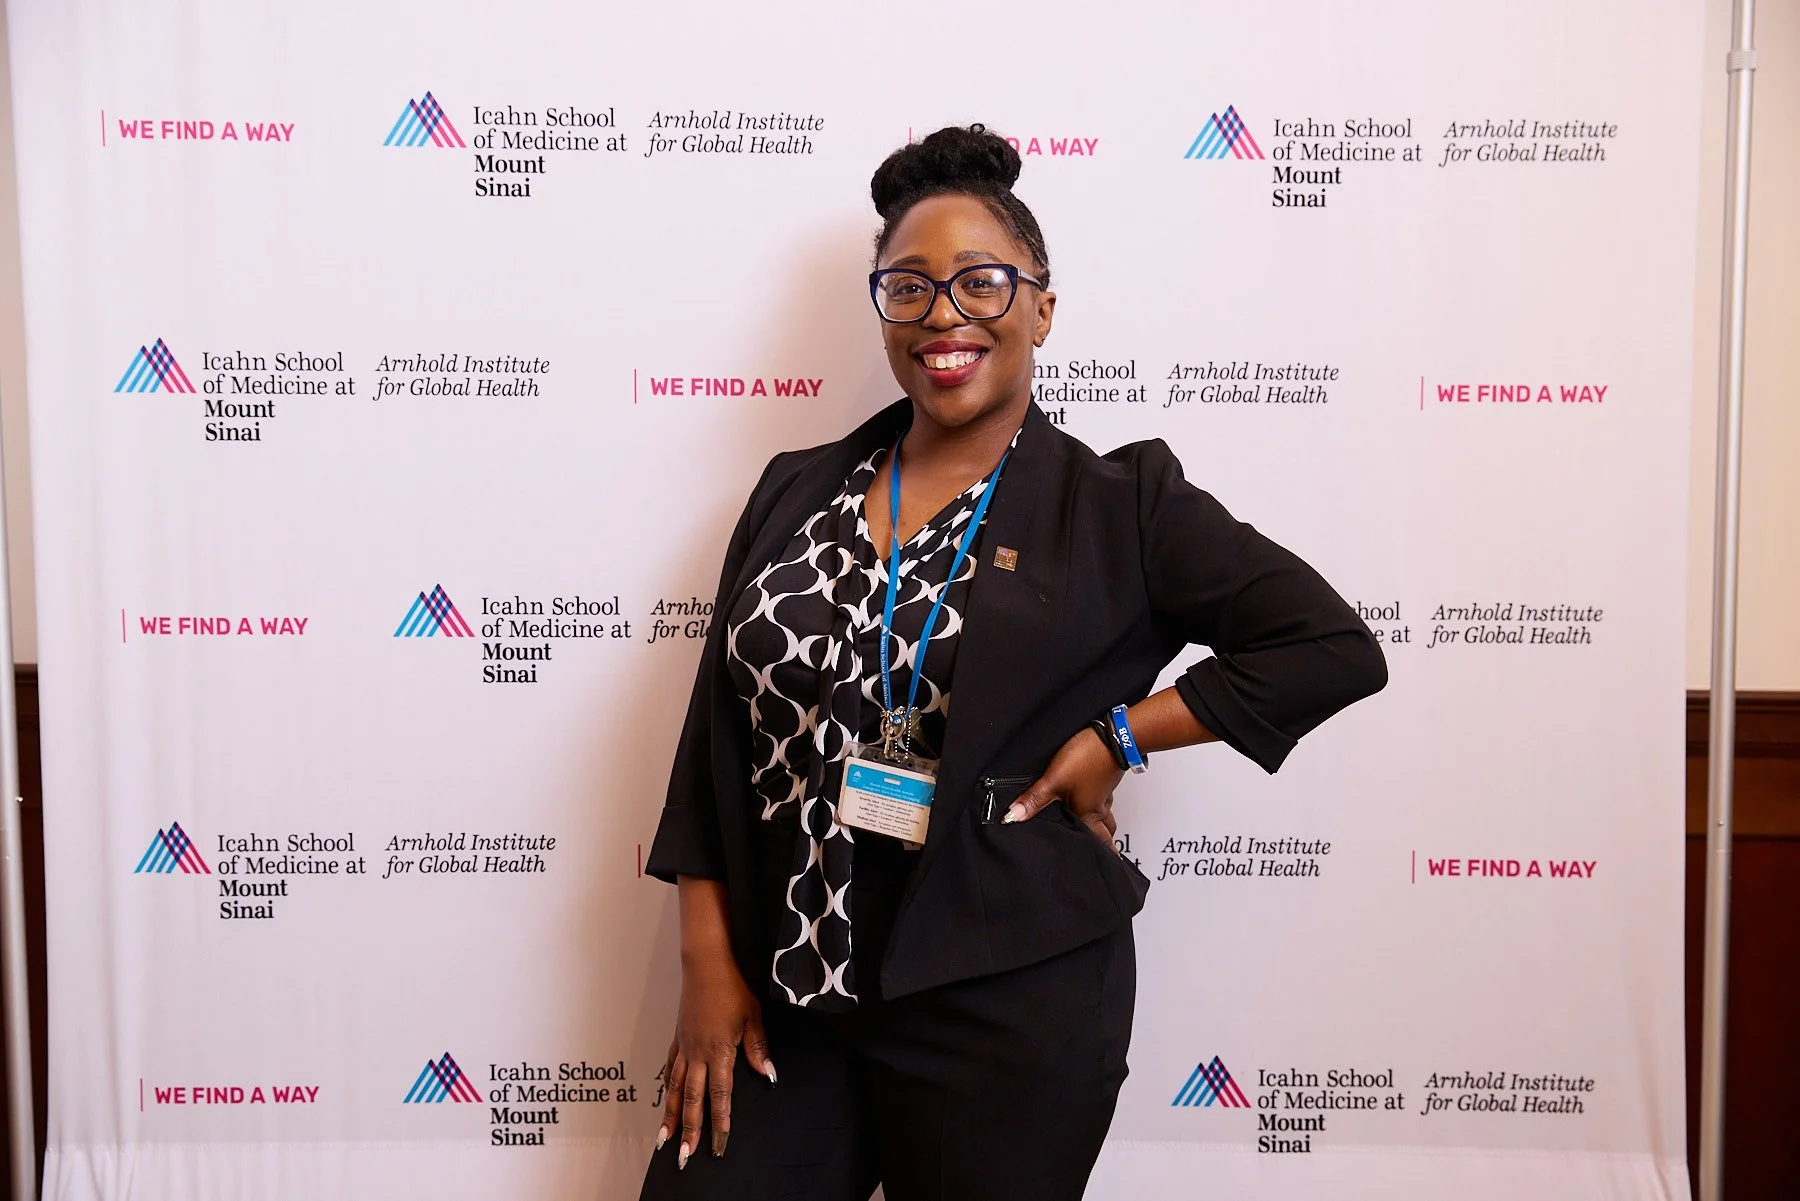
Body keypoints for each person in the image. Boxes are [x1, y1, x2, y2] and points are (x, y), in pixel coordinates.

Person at [639, 124, 1386, 1201]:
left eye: (983, 283)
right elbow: (716, 736)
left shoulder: (1120, 506)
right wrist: (706, 962)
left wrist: (1120, 735)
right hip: (789, 990)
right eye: (910, 286)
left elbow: (1328, 646)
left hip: (1008, 1008)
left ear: (1041, 305)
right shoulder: (792, 489)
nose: (945, 314)